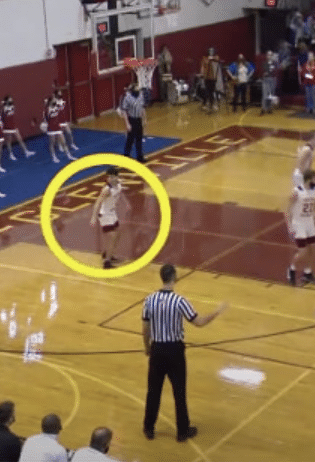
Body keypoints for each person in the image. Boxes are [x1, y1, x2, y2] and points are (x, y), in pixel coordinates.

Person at [142, 264, 228, 442]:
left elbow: (145, 327)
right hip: (175, 350)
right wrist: (217, 312)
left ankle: (148, 428)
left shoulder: (149, 300)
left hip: (157, 349)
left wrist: (147, 347)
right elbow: (199, 322)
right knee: (179, 391)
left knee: (153, 391)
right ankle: (182, 431)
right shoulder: (180, 301)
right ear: (174, 277)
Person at [286, 169, 315, 286]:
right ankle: (291, 269)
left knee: (312, 248)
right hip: (299, 223)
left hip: (309, 222)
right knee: (303, 251)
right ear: (309, 179)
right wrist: (289, 225)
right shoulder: (297, 191)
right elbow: (288, 209)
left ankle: (308, 273)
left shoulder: (314, 191)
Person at [90, 167, 125, 269]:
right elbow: (97, 202)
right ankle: (107, 262)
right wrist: (93, 217)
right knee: (112, 236)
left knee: (117, 234)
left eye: (112, 177)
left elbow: (120, 186)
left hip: (112, 213)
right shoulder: (106, 189)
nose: (109, 178)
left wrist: (125, 204)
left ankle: (108, 253)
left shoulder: (118, 184)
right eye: (108, 177)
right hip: (105, 215)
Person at [118, 84, 147, 163]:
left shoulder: (141, 95)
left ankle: (139, 157)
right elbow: (124, 111)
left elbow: (142, 107)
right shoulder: (127, 97)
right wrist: (127, 124)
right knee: (130, 139)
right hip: (132, 119)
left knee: (139, 138)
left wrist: (144, 118)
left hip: (138, 119)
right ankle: (126, 156)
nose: (138, 91)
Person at [43, 96, 74, 164]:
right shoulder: (47, 110)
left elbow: (61, 107)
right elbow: (46, 120)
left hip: (57, 127)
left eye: (55, 100)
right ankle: (54, 157)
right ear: (51, 102)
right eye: (54, 100)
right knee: (52, 143)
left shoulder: (57, 106)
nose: (55, 101)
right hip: (51, 129)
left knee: (64, 142)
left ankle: (69, 155)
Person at [200, 48, 224, 112]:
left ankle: (213, 105)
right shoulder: (205, 58)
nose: (211, 52)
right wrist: (202, 74)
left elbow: (217, 59)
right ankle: (208, 105)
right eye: (210, 51)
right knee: (207, 92)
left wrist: (212, 58)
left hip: (214, 78)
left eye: (212, 51)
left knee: (214, 92)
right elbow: (203, 66)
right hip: (207, 78)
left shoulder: (216, 58)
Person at [261, 50, 280, 115]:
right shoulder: (264, 63)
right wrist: (264, 74)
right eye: (268, 55)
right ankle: (263, 108)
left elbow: (276, 71)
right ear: (266, 56)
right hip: (266, 80)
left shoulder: (275, 63)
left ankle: (269, 108)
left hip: (272, 80)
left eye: (270, 55)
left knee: (271, 95)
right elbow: (262, 72)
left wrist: (271, 72)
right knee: (265, 94)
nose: (269, 56)